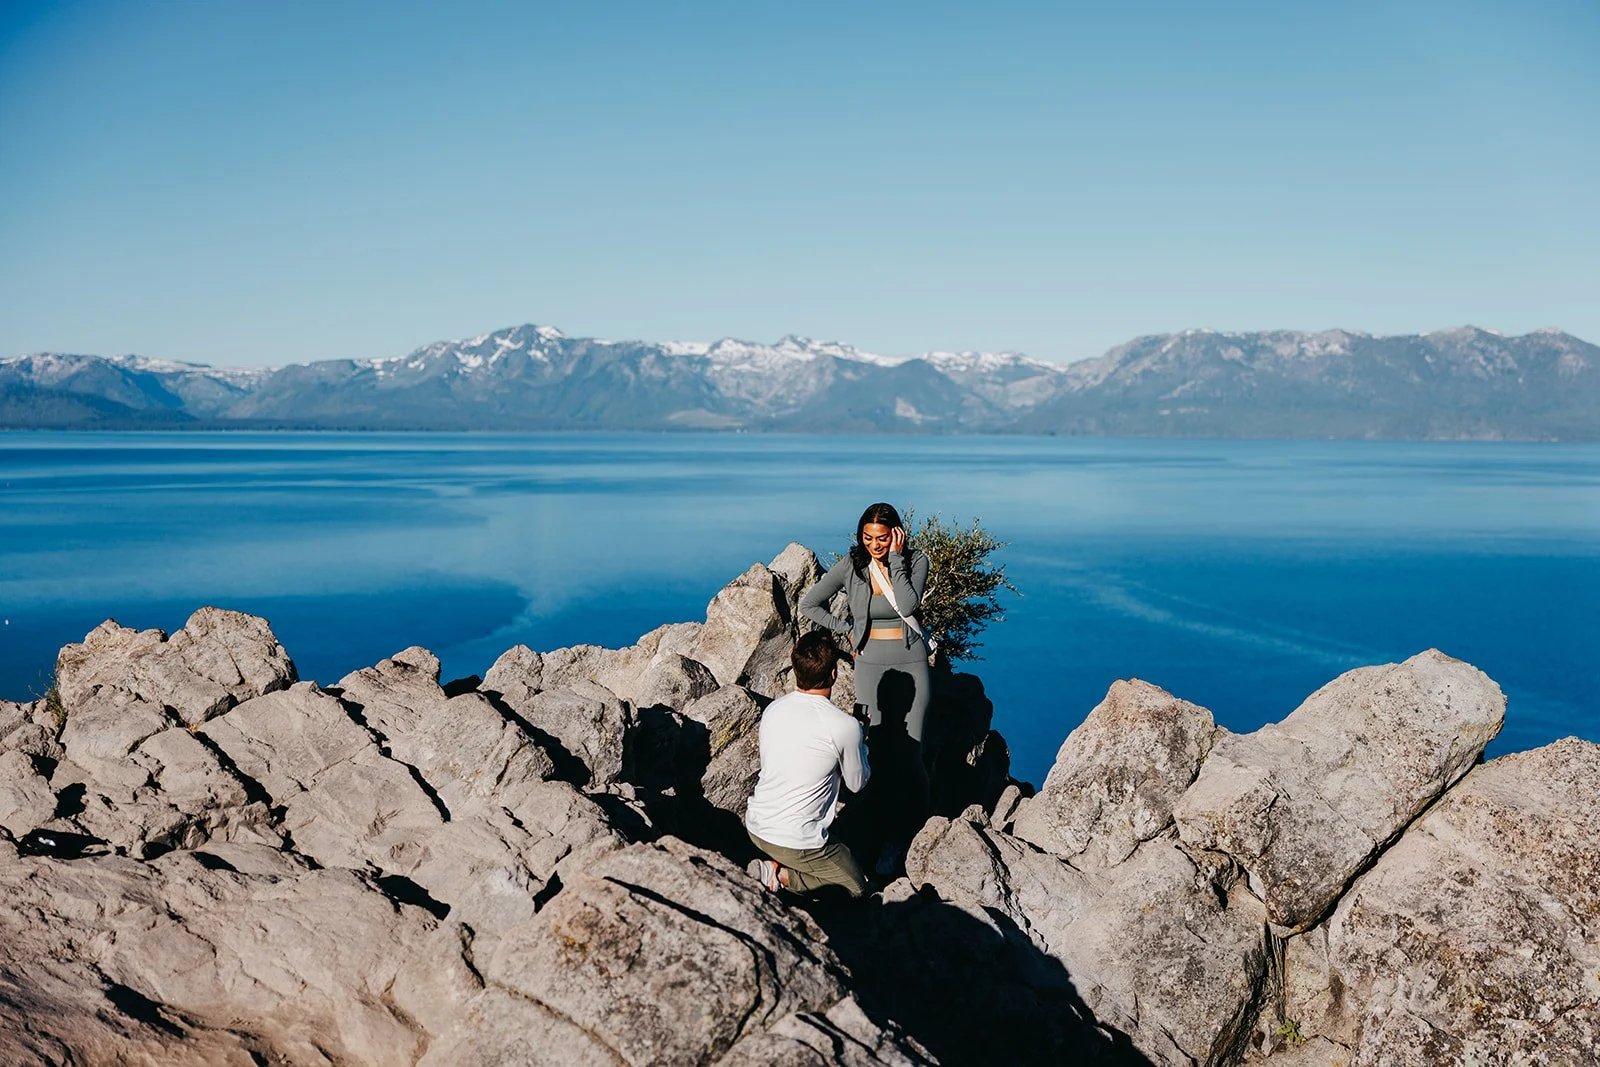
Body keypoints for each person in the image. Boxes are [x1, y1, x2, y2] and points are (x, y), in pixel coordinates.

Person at [798, 502, 932, 872]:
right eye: (868, 537)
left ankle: (918, 832)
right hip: (869, 664)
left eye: (882, 538)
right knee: (874, 747)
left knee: (911, 752)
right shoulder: (851, 566)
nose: (874, 544)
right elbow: (810, 603)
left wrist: (898, 559)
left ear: (897, 535)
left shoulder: (915, 560)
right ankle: (877, 827)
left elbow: (908, 602)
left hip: (912, 661)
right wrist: (848, 631)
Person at [745, 631, 872, 898]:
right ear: (834, 674)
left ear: (796, 669)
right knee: (857, 889)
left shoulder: (774, 709)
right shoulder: (844, 726)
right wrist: (862, 743)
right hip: (795, 840)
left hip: (756, 826)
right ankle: (778, 875)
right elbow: (857, 784)